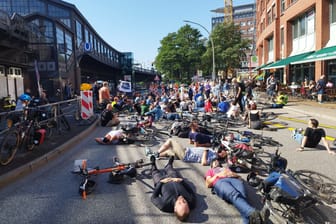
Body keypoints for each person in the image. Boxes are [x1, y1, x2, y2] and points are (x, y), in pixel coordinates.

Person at [205, 158, 269, 224]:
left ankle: (252, 220)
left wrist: (233, 174)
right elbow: (208, 183)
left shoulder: (226, 168)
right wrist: (217, 175)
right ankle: (255, 214)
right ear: (211, 165)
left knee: (243, 196)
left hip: (234, 180)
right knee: (233, 194)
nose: (216, 162)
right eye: (214, 162)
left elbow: (239, 177)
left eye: (217, 161)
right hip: (220, 181)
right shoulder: (210, 171)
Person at [150, 156, 196, 221]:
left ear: (175, 208)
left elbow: (153, 198)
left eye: (179, 203)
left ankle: (153, 165)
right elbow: (191, 192)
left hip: (162, 181)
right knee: (171, 170)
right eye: (184, 202)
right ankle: (169, 164)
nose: (182, 200)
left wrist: (160, 183)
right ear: (188, 206)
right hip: (174, 178)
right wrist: (182, 181)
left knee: (155, 174)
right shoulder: (192, 202)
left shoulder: (164, 205)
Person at [146, 138, 227, 166]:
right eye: (223, 151)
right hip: (186, 151)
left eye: (224, 153)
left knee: (170, 141)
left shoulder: (214, 158)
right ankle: (152, 156)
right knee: (168, 152)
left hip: (186, 155)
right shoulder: (213, 151)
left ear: (222, 156)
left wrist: (205, 151)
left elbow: (203, 163)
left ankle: (156, 153)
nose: (223, 151)